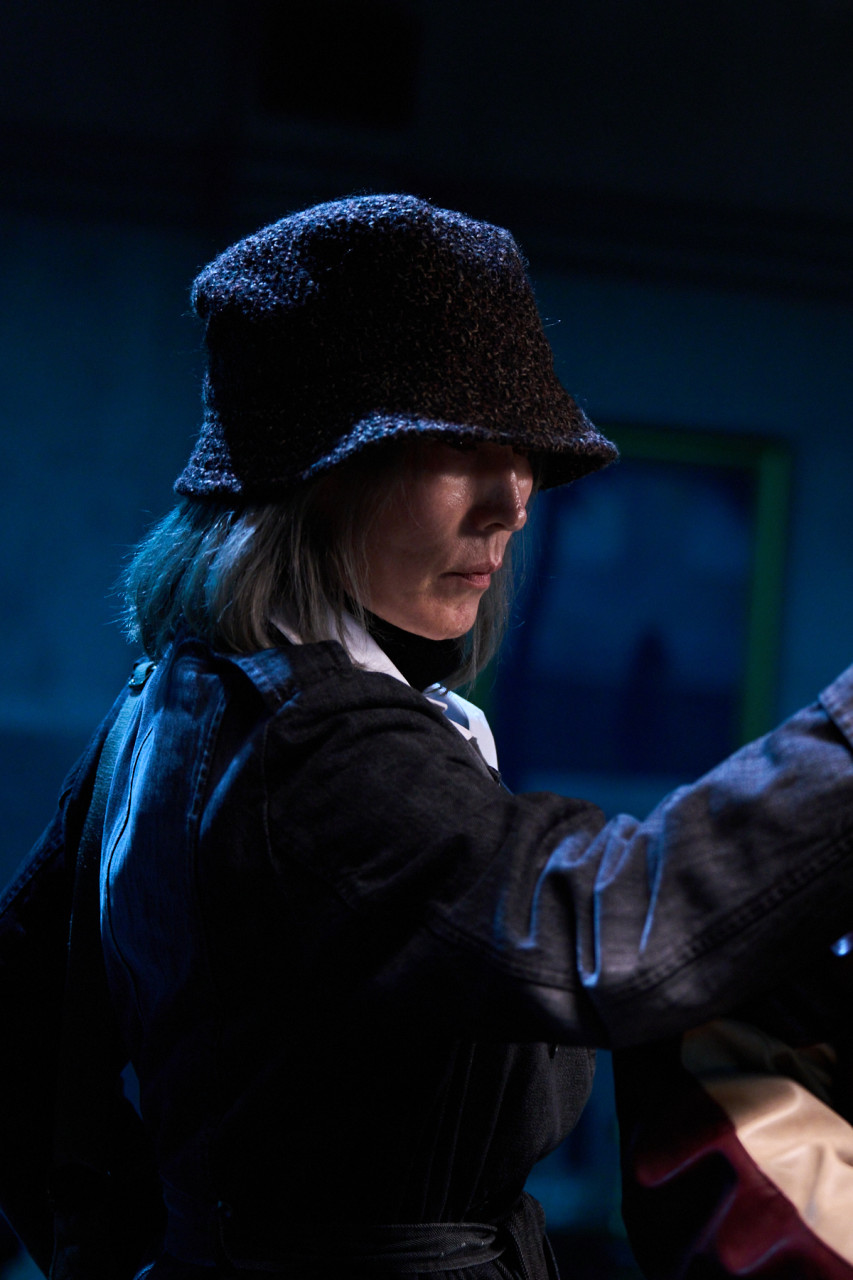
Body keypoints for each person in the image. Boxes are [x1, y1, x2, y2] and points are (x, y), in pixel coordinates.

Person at [9, 193, 853, 1279]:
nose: (512, 499)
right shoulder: (313, 751)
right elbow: (609, 935)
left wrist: (163, 1250)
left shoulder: (172, 704)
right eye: (459, 446)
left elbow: (19, 1030)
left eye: (524, 449)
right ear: (313, 473)